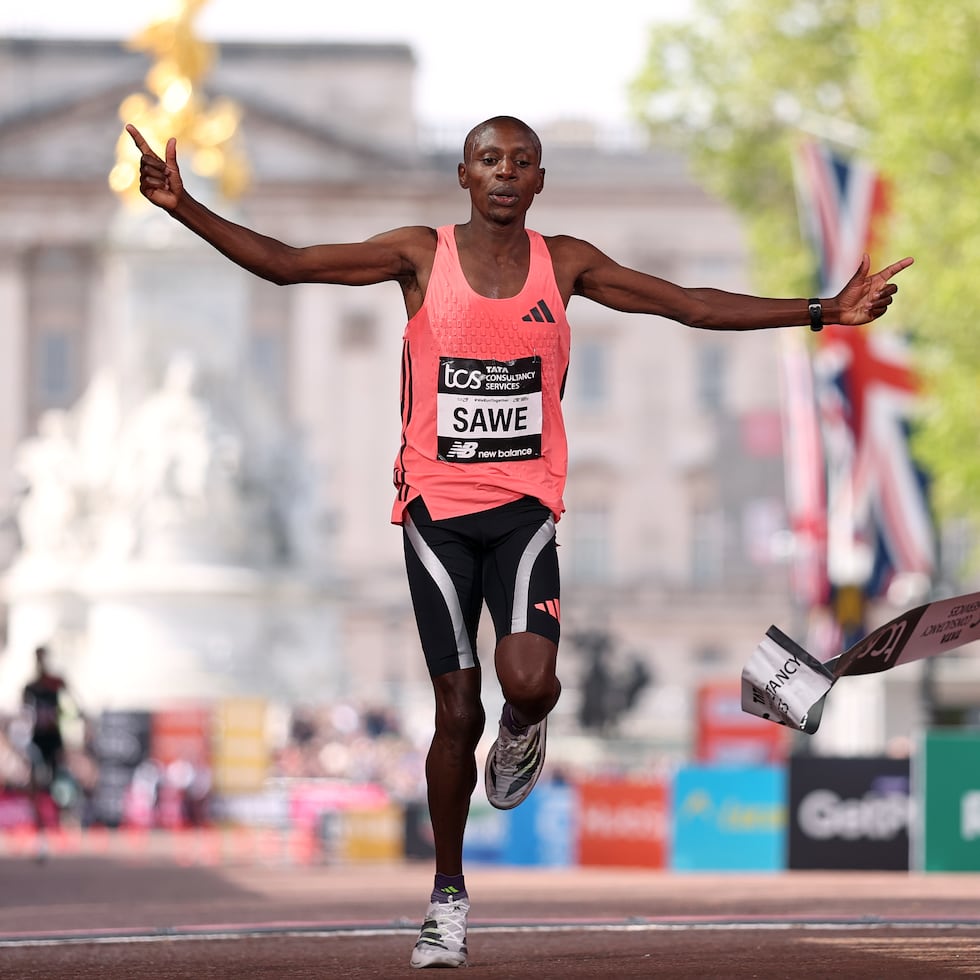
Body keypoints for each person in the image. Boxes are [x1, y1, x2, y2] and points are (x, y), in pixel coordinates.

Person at [126, 115, 912, 968]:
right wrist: (184, 208)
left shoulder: (563, 263)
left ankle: (525, 729)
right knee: (452, 711)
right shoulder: (418, 255)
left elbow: (686, 304)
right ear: (464, 175)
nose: (505, 173)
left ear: (541, 180)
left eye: (522, 163)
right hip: (435, 512)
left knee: (527, 680)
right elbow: (288, 264)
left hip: (526, 509)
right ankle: (448, 897)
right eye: (489, 160)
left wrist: (822, 310)